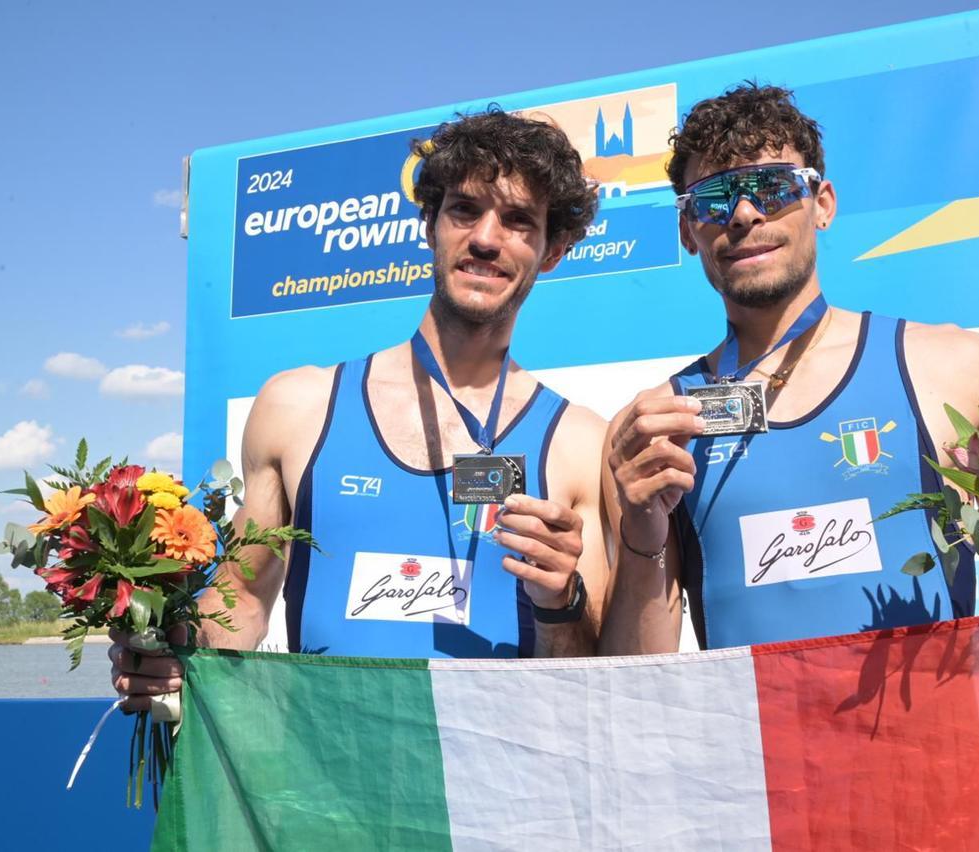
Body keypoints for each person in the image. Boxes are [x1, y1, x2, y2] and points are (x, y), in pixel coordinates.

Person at [600, 83, 979, 698]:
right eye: (714, 200)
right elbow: (631, 685)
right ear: (687, 231)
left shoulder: (953, 368)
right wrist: (641, 530)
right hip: (758, 782)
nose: (744, 215)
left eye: (773, 188)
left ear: (823, 202)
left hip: (927, 776)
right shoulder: (658, 426)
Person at [112, 109, 608, 710]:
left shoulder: (581, 444)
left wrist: (564, 602)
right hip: (327, 787)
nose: (485, 237)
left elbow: (593, 681)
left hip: (495, 793)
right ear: (430, 224)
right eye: (464, 210)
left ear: (552, 251)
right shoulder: (298, 407)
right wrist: (171, 653)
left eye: (518, 221)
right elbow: (241, 597)